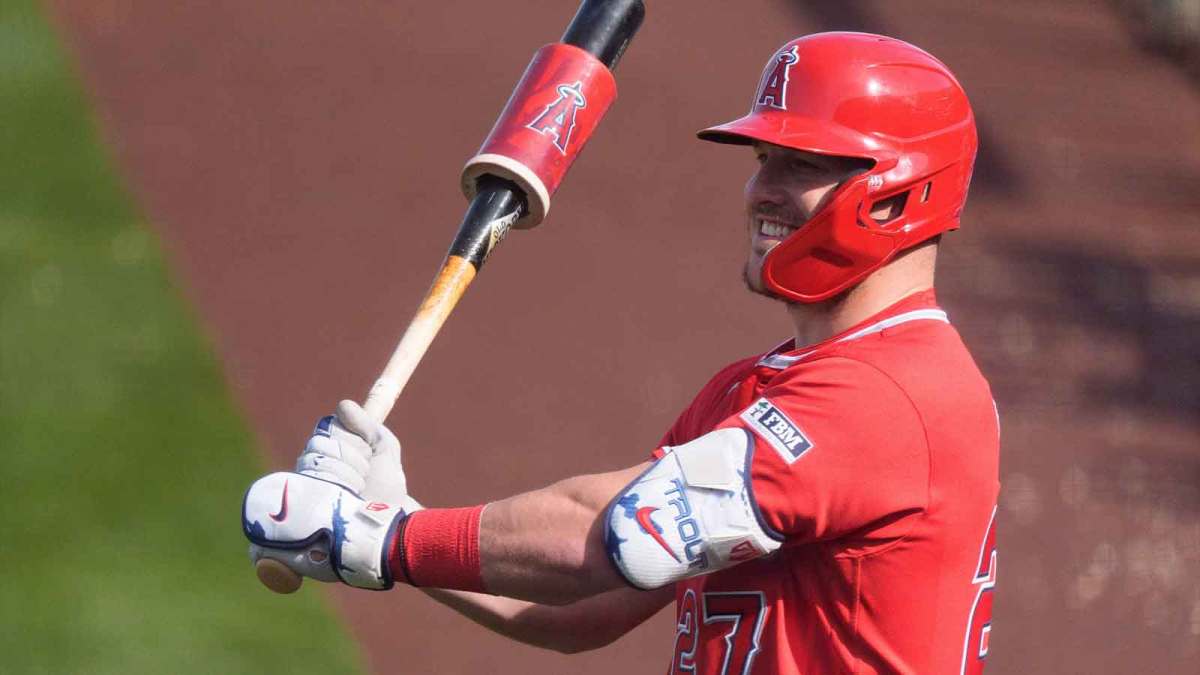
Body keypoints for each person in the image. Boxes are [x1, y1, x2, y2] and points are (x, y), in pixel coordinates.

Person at [242, 32, 1000, 674]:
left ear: (898, 191)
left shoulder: (898, 395)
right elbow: (585, 604)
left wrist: (377, 540)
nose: (760, 190)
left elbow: (604, 533)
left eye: (800, 163)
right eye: (762, 159)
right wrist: (393, 519)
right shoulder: (754, 392)